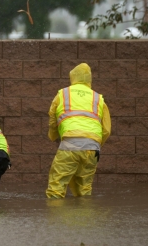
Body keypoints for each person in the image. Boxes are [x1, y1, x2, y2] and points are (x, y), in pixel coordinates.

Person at [46, 63, 111, 198]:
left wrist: (53, 136)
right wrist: (95, 145)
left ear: (73, 77)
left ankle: (55, 217)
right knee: (85, 189)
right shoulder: (98, 98)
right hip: (92, 148)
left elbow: (53, 118)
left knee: (56, 188)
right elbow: (106, 129)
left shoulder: (63, 94)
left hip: (70, 144)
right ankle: (85, 217)